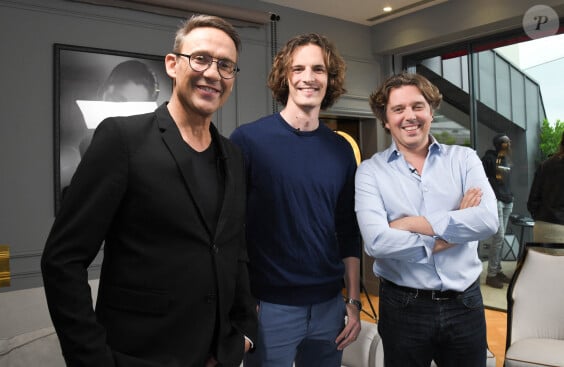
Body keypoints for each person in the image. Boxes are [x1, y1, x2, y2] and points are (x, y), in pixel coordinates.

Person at [41, 14, 257, 367]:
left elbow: (235, 250)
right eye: (201, 58)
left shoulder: (232, 155)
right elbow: (62, 260)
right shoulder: (121, 139)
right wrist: (92, 358)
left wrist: (244, 333)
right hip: (138, 355)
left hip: (218, 355)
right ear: (173, 64)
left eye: (226, 65)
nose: (213, 73)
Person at [230, 33, 362, 367]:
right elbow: (231, 228)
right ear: (285, 76)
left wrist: (354, 301)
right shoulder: (248, 140)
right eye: (298, 68)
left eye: (318, 69)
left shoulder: (341, 149)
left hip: (329, 307)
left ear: (329, 79)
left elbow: (347, 229)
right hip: (270, 307)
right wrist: (244, 302)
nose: (308, 77)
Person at [355, 72, 498, 367]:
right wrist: (456, 224)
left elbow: (487, 220)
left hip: (465, 305)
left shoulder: (465, 159)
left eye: (418, 106)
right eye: (398, 109)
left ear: (431, 111)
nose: (410, 116)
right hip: (403, 307)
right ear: (385, 120)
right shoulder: (370, 172)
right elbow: (377, 242)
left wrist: (409, 224)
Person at [481, 133, 514, 288]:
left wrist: (511, 196)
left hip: (508, 201)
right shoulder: (488, 159)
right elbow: (482, 180)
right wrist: (491, 197)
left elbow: (505, 181)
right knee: (499, 237)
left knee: (500, 238)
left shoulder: (506, 160)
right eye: (507, 142)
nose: (510, 143)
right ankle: (491, 274)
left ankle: (498, 269)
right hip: (497, 201)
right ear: (501, 144)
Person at [527, 131, 564, 243]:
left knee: (544, 261)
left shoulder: (545, 165)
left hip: (542, 227)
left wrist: (542, 217)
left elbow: (532, 201)